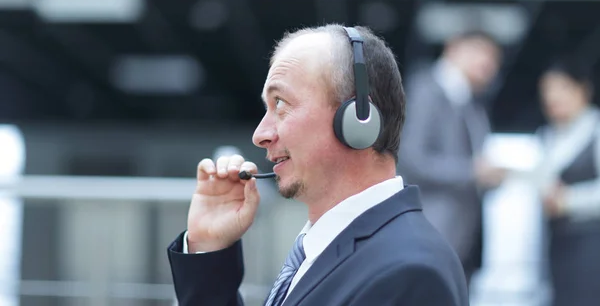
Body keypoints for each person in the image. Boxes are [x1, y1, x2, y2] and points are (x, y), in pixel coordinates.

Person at [166, 24, 469, 305]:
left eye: (280, 104)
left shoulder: (410, 273)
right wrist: (209, 246)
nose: (260, 135)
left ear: (358, 118)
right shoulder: (327, 247)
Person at [396, 31, 506, 285]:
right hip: (432, 229)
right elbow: (412, 158)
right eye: (481, 52)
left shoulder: (472, 104)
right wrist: (473, 172)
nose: (489, 64)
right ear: (453, 48)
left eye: (494, 58)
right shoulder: (426, 91)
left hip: (464, 236)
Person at [534, 61, 600, 306]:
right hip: (559, 243)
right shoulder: (548, 135)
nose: (552, 97)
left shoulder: (595, 129)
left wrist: (568, 201)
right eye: (546, 91)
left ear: (583, 90)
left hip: (592, 243)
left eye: (561, 88)